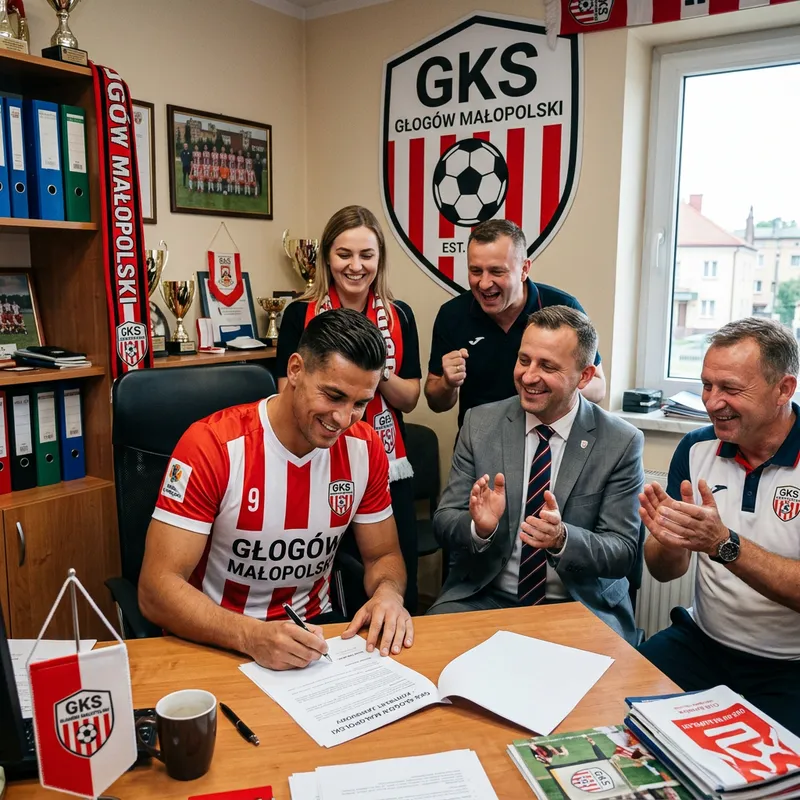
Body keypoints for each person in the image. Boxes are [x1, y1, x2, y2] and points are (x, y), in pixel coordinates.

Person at [139, 308, 413, 671]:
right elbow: (155, 590)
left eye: (360, 403)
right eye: (333, 396)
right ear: (295, 370)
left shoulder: (365, 448)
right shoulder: (212, 446)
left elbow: (382, 557)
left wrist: (389, 593)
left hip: (317, 640)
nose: (344, 419)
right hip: (217, 639)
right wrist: (251, 636)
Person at [428, 306, 642, 644]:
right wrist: (480, 529)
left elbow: (623, 551)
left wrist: (562, 539)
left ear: (584, 377)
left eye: (548, 366)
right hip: (484, 598)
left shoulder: (620, 441)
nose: (528, 377)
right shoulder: (479, 424)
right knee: (431, 659)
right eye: (524, 360)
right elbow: (443, 521)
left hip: (578, 605)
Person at [638, 317, 800, 733]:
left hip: (790, 668)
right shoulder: (696, 447)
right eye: (707, 385)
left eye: (730, 388)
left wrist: (723, 543)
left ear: (784, 389)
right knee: (625, 711)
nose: (712, 402)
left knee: (769, 777)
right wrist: (669, 540)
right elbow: (664, 569)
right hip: (702, 644)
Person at [276, 205, 422, 613]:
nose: (356, 266)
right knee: (327, 572)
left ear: (380, 260)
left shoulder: (399, 315)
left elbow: (410, 397)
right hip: (318, 457)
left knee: (392, 574)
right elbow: (285, 391)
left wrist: (370, 365)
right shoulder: (298, 314)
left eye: (367, 255)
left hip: (387, 461)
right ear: (326, 257)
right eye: (344, 254)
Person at [425, 219, 606, 428]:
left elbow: (598, 388)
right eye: (476, 271)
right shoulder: (452, 314)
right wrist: (448, 383)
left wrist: (553, 386)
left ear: (524, 269)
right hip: (480, 442)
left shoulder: (562, 306)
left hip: (551, 442)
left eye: (497, 271)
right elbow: (436, 402)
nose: (484, 283)